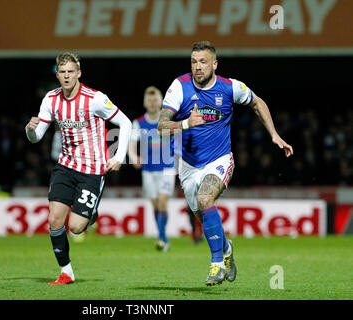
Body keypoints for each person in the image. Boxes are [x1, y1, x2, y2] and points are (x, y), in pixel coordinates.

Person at [158, 41, 293, 286]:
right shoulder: (179, 86)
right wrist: (186, 123)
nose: (197, 67)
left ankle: (217, 264)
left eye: (203, 62)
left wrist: (274, 134)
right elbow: (161, 128)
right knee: (202, 215)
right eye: (194, 62)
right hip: (188, 165)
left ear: (214, 64)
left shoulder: (230, 88)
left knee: (205, 200)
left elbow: (257, 102)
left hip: (219, 159)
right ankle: (226, 249)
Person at [26, 52, 132, 285]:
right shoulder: (50, 100)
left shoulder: (94, 99)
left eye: (70, 72)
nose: (66, 76)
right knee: (54, 221)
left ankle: (90, 213)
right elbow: (36, 137)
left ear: (78, 73)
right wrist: (30, 129)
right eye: (62, 72)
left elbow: (125, 122)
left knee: (75, 227)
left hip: (93, 170)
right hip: (65, 166)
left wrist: (119, 157)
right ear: (57, 74)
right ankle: (66, 272)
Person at [128, 86, 175, 252]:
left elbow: (178, 144)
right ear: (145, 103)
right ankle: (162, 235)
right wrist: (134, 158)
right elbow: (131, 145)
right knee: (155, 204)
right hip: (148, 170)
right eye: (150, 100)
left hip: (167, 168)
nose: (153, 103)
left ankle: (162, 238)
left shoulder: (168, 121)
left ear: (161, 102)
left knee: (162, 202)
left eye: (155, 100)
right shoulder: (139, 123)